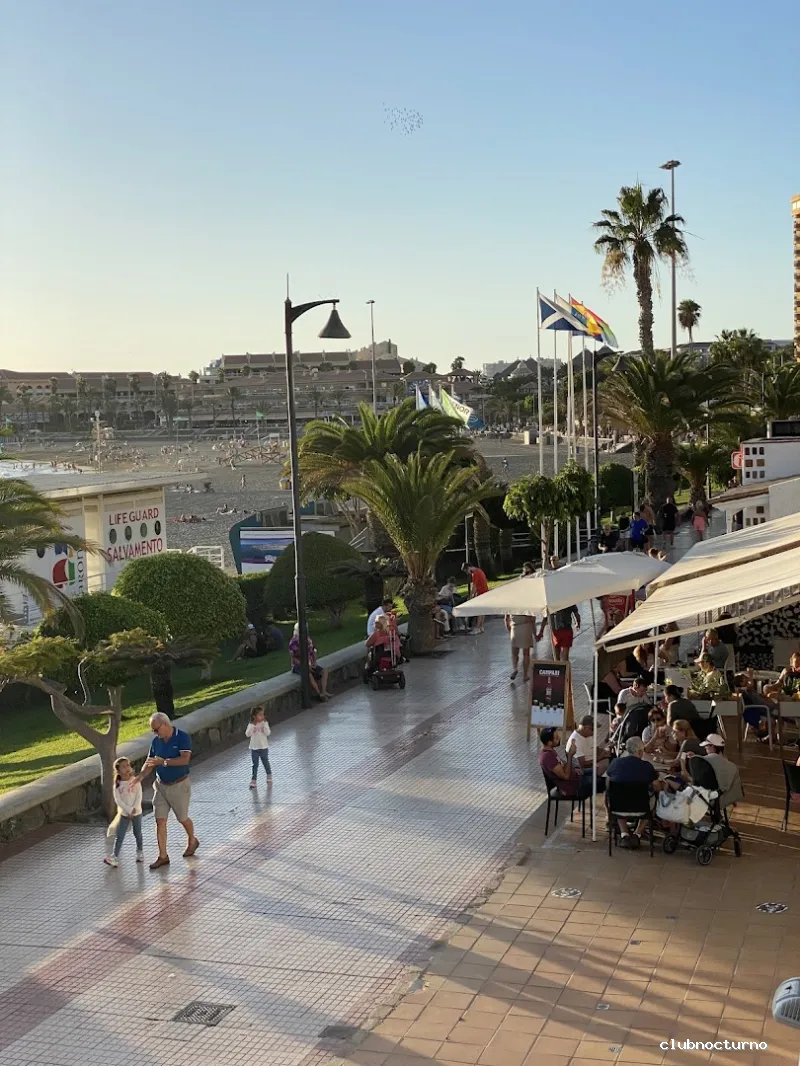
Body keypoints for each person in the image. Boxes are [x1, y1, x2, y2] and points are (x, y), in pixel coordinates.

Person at [144, 712, 199, 871]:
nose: (155, 733)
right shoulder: (156, 742)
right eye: (153, 730)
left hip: (179, 785)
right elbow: (150, 763)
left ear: (165, 724)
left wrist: (165, 762)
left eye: (156, 729)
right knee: (160, 820)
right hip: (160, 785)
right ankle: (163, 856)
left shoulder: (182, 737)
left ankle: (192, 840)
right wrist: (138, 778)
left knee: (182, 818)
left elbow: (185, 759)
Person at [606, 737, 665, 848]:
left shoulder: (615, 763)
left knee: (616, 796)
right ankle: (637, 834)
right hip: (641, 808)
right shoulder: (647, 767)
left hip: (618, 808)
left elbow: (609, 780)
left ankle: (624, 834)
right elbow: (656, 787)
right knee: (653, 799)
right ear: (640, 751)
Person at [103, 757, 146, 868]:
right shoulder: (117, 785)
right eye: (124, 766)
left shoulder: (135, 781)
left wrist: (134, 809)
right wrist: (128, 810)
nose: (127, 768)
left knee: (138, 833)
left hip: (137, 813)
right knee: (120, 835)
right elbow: (118, 800)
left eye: (128, 765)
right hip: (125, 814)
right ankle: (114, 856)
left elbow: (138, 796)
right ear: (118, 770)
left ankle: (140, 851)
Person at [538, 727, 593, 798]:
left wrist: (576, 768)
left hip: (575, 777)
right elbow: (566, 776)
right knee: (600, 780)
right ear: (549, 742)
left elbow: (563, 764)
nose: (559, 738)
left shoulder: (550, 751)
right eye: (557, 738)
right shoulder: (547, 757)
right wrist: (569, 755)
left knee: (596, 771)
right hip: (572, 786)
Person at [692, 734, 744, 807]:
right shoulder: (730, 765)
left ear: (712, 746)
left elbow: (697, 781)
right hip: (725, 797)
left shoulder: (705, 762)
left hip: (710, 797)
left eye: (706, 746)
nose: (705, 747)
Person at [289, 623, 330, 700]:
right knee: (309, 675)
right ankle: (319, 694)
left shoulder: (308, 639)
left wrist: (314, 662)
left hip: (310, 663)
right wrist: (305, 665)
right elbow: (294, 659)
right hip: (299, 666)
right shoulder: (293, 642)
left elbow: (313, 651)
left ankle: (323, 691)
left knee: (324, 671)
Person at [566, 715, 611, 780]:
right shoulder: (576, 741)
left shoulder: (588, 735)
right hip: (584, 772)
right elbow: (582, 765)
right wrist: (600, 758)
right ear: (583, 727)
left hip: (595, 763)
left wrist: (605, 750)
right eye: (592, 729)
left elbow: (595, 748)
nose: (593, 732)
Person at [734, 671, 774, 741]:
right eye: (744, 678)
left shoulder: (747, 689)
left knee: (777, 712)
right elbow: (751, 685)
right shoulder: (743, 689)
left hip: (762, 706)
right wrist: (750, 675)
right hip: (762, 708)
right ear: (741, 683)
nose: (746, 679)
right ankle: (771, 737)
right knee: (777, 713)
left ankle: (771, 737)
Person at [505, 612, 537, 681]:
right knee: (526, 654)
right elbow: (533, 619)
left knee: (514, 653)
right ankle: (525, 675)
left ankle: (515, 668)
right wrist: (535, 633)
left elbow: (506, 619)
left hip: (515, 627)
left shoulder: (511, 604)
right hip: (526, 627)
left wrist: (509, 629)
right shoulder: (527, 605)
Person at [246, 706, 272, 788]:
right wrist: (252, 727)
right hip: (254, 748)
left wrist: (264, 726)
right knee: (255, 764)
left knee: (265, 762)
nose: (262, 716)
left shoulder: (264, 723)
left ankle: (269, 774)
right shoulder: (251, 725)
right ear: (254, 716)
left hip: (263, 747)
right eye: (260, 715)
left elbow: (268, 733)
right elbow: (247, 734)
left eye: (263, 715)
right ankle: (254, 780)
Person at [462, 563, 489, 634]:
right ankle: (481, 627)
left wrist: (470, 597)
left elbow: (474, 587)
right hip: (485, 592)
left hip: (481, 593)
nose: (467, 573)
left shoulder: (475, 574)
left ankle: (477, 628)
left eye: (466, 571)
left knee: (479, 611)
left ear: (468, 568)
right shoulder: (479, 570)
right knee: (483, 611)